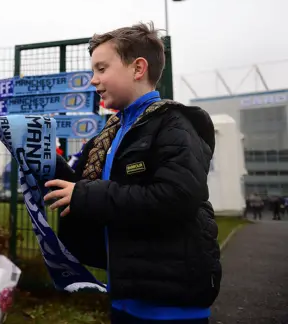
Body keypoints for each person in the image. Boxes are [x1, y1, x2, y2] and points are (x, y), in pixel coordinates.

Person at [44, 22, 221, 324]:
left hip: (171, 305)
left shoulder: (174, 126)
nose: (93, 80)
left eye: (101, 69)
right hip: (127, 295)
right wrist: (37, 152)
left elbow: (176, 197)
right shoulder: (111, 133)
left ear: (138, 68)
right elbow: (78, 187)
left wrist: (85, 194)